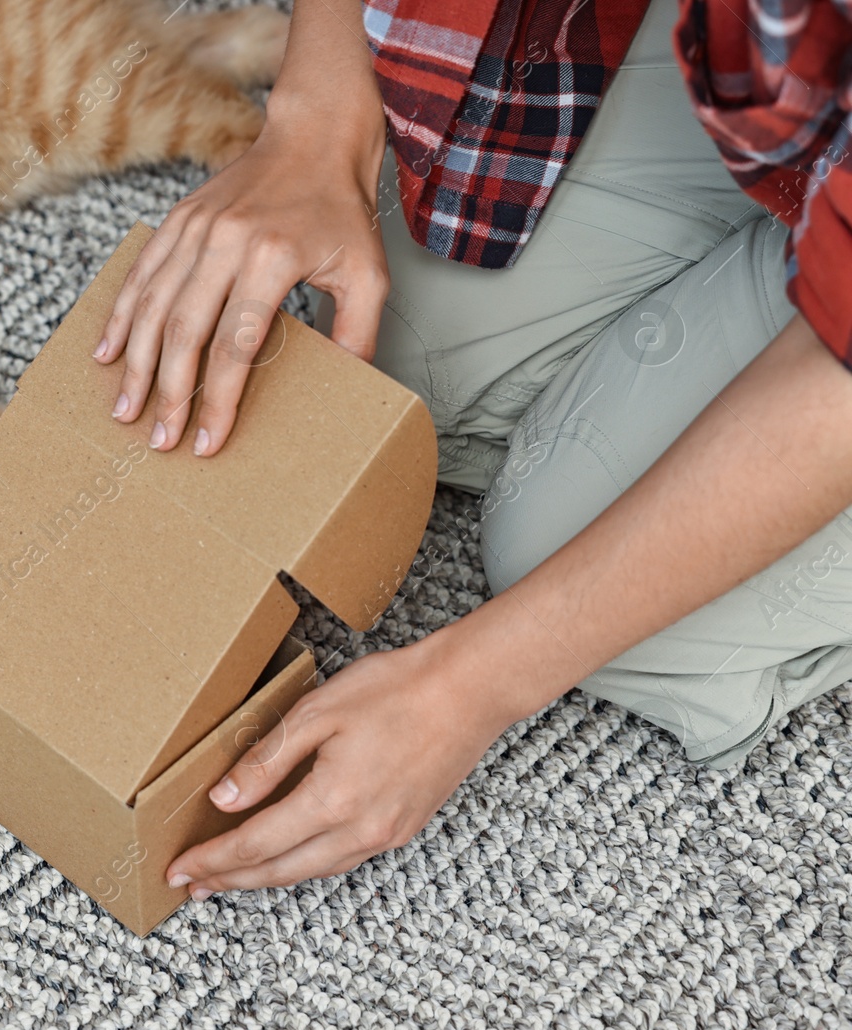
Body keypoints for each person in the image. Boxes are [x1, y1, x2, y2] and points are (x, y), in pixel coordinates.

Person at [97, 0, 852, 898]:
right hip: (786, 71)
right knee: (401, 337)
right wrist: (313, 133)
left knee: (564, 556)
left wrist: (471, 686)